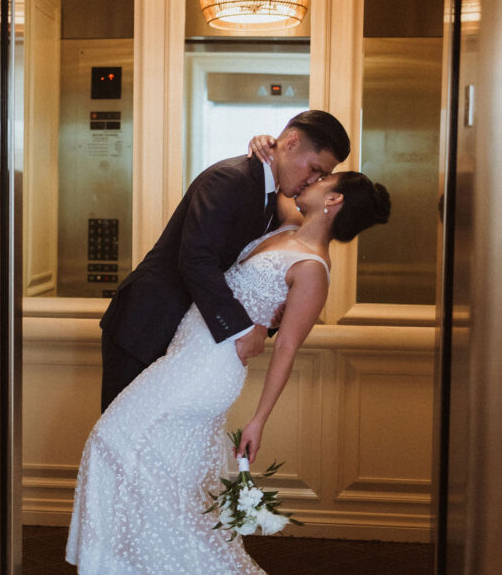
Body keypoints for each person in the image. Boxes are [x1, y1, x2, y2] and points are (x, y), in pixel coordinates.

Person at [67, 170, 429, 575]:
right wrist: (262, 145)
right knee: (164, 478)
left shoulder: (312, 268)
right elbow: (272, 182)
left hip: (207, 375)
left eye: (325, 180)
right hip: (182, 355)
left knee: (114, 442)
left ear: (335, 199)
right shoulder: (284, 230)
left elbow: (287, 352)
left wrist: (258, 420)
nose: (313, 180)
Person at [99, 110, 350, 413]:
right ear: (292, 142)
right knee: (122, 438)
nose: (311, 181)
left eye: (321, 177)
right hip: (146, 324)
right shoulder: (229, 178)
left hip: (188, 339)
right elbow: (196, 260)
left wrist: (272, 314)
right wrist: (243, 329)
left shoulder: (275, 198)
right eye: (313, 169)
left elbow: (248, 269)